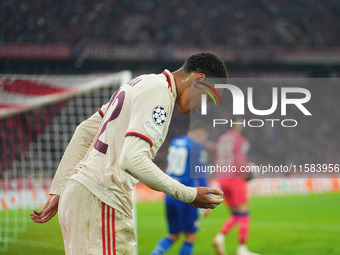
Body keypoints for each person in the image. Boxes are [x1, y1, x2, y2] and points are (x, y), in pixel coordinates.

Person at [30, 52, 228, 255]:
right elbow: (132, 160)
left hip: (82, 194)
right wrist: (190, 194)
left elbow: (85, 131)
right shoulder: (160, 93)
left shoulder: (143, 83)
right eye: (207, 97)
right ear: (198, 79)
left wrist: (60, 188)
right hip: (103, 198)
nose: (203, 108)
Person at [151, 121, 210, 255]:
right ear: (200, 132)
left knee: (173, 235)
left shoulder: (176, 142)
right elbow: (200, 174)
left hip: (169, 193)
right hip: (185, 195)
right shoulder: (197, 147)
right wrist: (208, 198)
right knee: (190, 235)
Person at [213, 118, 259, 255]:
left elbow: (218, 159)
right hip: (235, 177)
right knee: (244, 213)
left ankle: (220, 237)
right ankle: (242, 249)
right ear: (237, 124)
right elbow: (240, 161)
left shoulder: (222, 139)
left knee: (236, 214)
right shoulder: (240, 140)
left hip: (222, 178)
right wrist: (248, 174)